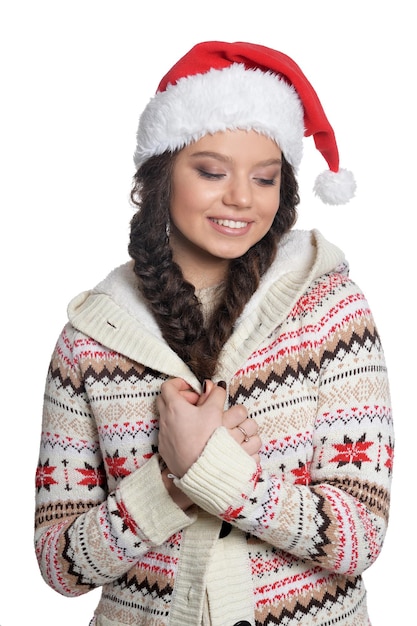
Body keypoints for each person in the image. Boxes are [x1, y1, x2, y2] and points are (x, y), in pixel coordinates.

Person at [34, 41, 393, 626]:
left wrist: (211, 470)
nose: (241, 199)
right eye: (211, 171)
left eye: (265, 177)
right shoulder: (92, 336)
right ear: (160, 174)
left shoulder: (329, 311)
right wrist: (169, 485)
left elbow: (361, 536)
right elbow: (58, 564)